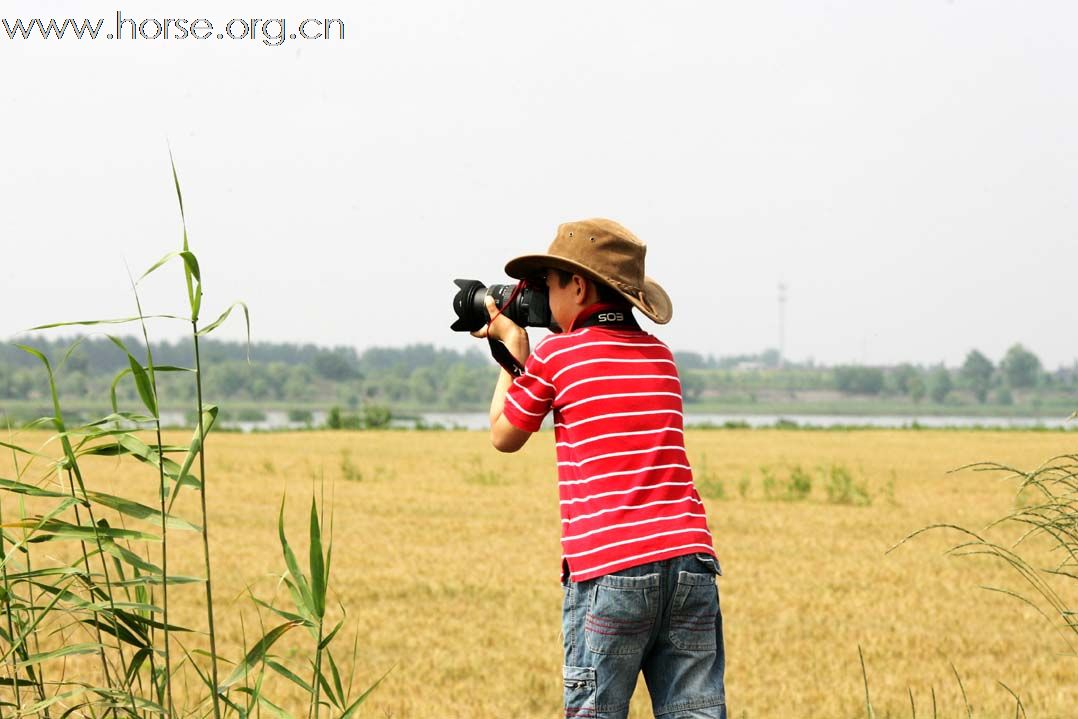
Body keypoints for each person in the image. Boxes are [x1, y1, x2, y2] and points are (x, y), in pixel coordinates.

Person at [472, 218, 726, 719]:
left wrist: (512, 352)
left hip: (611, 572)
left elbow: (504, 435)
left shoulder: (557, 357)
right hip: (691, 563)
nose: (544, 300)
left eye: (549, 286)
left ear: (579, 285)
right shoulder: (661, 356)